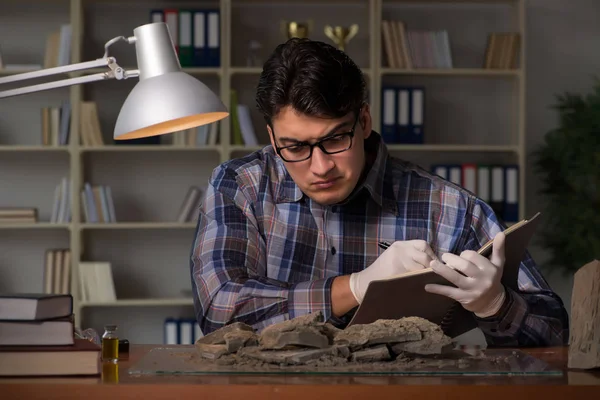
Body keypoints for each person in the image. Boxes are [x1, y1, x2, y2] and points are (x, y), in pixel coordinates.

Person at [190, 38, 569, 347]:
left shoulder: (452, 208)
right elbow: (219, 310)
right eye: (295, 147)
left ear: (364, 121)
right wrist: (358, 286)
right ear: (271, 137)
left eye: (336, 138)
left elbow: (555, 336)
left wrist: (497, 305)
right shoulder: (241, 187)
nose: (320, 167)